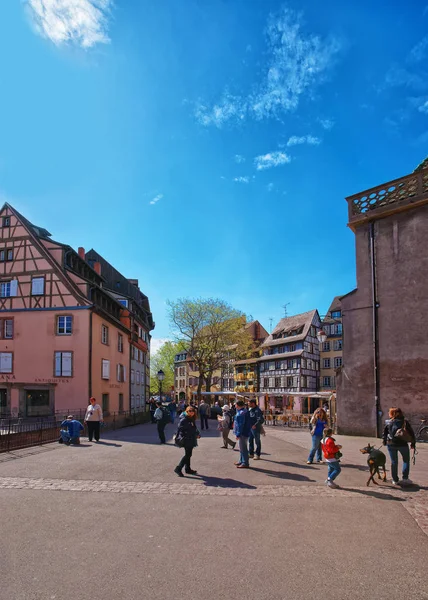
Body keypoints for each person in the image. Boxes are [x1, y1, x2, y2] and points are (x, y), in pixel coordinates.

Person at [383, 407, 416, 485]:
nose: (388, 413)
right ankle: (405, 478)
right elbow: (411, 433)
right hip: (403, 444)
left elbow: (384, 433)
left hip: (391, 444)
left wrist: (384, 441)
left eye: (389, 412)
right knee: (406, 461)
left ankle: (395, 480)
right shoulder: (404, 422)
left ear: (392, 413)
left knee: (394, 462)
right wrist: (413, 443)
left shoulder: (388, 422)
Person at [174, 406, 200, 477]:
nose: (191, 412)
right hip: (187, 439)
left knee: (188, 454)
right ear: (187, 411)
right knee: (188, 455)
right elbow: (180, 430)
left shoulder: (191, 419)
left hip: (191, 438)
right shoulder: (184, 419)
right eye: (190, 411)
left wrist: (197, 434)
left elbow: (194, 428)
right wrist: (187, 434)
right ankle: (178, 468)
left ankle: (187, 469)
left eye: (193, 411)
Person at [233, 399, 251, 468]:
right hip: (244, 432)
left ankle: (245, 462)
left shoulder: (241, 413)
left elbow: (240, 424)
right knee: (241, 447)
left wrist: (238, 434)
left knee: (243, 448)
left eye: (235, 404)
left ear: (237, 405)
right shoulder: (243, 411)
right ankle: (241, 460)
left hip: (242, 433)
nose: (235, 405)